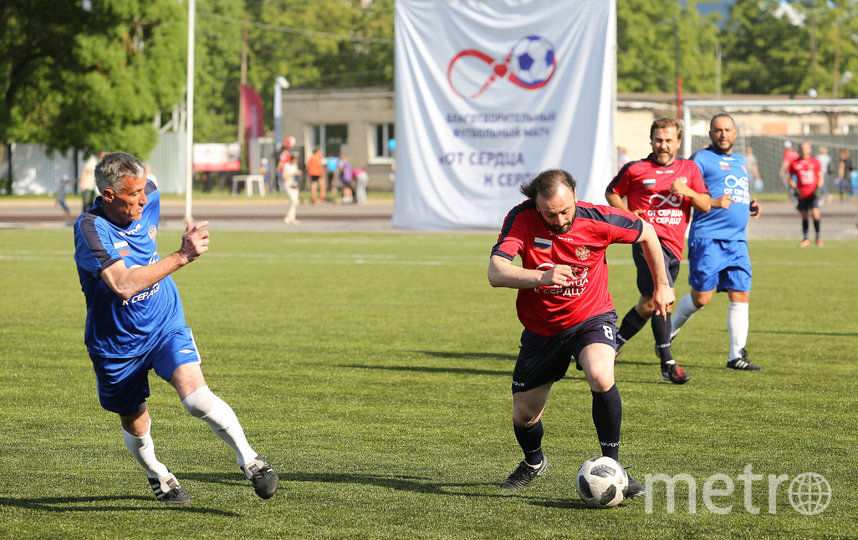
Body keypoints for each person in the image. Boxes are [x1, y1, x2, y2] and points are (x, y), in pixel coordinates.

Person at [73, 152, 279, 504]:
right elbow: (122, 285)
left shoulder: (148, 192)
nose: (143, 199)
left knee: (197, 398)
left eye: (143, 190)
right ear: (108, 196)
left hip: (164, 321)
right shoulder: (91, 228)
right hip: (116, 343)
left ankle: (252, 461)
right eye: (133, 194)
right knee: (136, 423)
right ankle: (158, 474)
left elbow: (147, 182)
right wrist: (182, 255)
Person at [489, 169, 673, 496]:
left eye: (565, 211)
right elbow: (496, 271)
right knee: (524, 415)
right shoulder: (522, 217)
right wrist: (542, 277)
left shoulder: (599, 218)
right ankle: (533, 462)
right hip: (542, 329)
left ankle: (613, 467)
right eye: (549, 214)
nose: (558, 220)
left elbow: (648, 233)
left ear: (575, 193)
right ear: (536, 205)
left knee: (601, 376)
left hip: (591, 316)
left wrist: (662, 285)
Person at [605, 118, 710, 384]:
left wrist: (686, 191)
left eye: (669, 140)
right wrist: (629, 215)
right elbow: (612, 192)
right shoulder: (635, 169)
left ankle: (610, 347)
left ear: (678, 142)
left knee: (649, 303)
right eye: (658, 140)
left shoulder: (689, 169)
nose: (663, 145)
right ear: (651, 141)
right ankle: (668, 362)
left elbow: (706, 204)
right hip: (646, 243)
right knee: (663, 299)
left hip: (674, 247)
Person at [671, 113, 763, 371]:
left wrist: (750, 204)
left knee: (741, 292)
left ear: (735, 134)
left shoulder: (740, 160)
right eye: (718, 130)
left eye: (727, 130)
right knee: (702, 298)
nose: (723, 134)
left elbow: (737, 191)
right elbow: (680, 185)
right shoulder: (700, 159)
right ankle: (669, 331)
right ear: (711, 134)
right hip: (707, 239)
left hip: (737, 241)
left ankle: (736, 356)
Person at [788, 141, 824, 247]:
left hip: (813, 193)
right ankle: (805, 238)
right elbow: (790, 178)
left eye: (806, 148)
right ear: (800, 150)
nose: (804, 150)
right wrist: (795, 188)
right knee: (804, 216)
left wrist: (819, 188)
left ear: (810, 149)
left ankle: (818, 237)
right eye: (802, 148)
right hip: (802, 194)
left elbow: (820, 176)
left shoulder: (815, 162)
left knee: (815, 213)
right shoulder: (795, 163)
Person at [282, 151, 301, 224]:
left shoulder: (295, 166)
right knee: (293, 201)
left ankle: (291, 217)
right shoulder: (287, 165)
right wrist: (294, 174)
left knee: (295, 202)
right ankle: (289, 217)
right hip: (288, 184)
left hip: (294, 184)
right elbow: (284, 176)